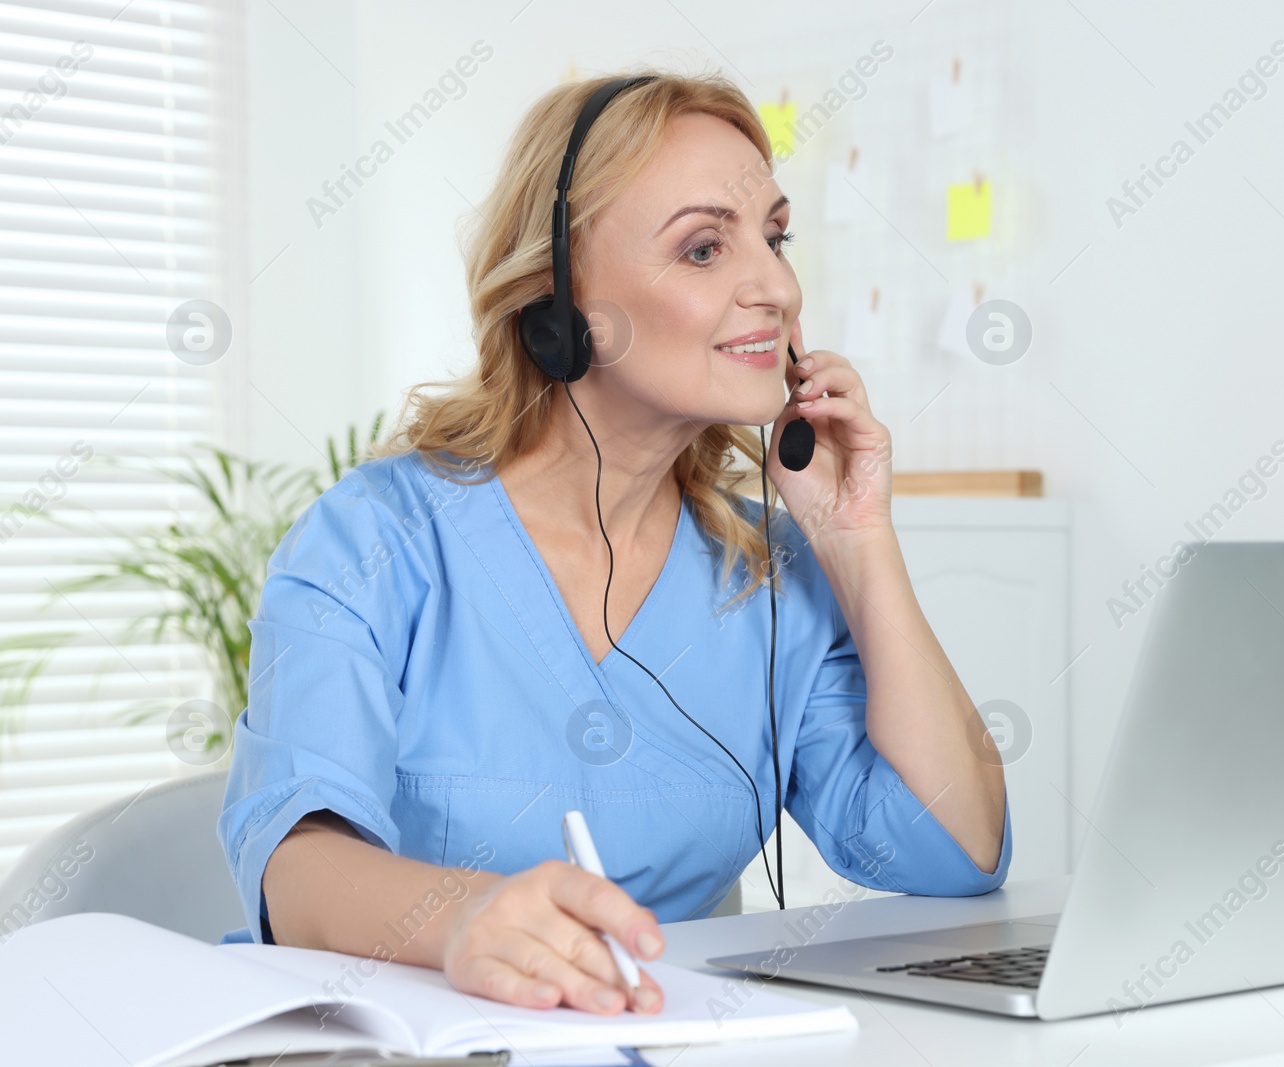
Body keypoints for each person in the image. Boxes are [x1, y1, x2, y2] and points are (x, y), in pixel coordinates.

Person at [218, 68, 1011, 1018]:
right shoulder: (377, 539)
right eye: (705, 248)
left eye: (776, 235)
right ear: (562, 303)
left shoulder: (765, 572)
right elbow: (294, 869)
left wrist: (857, 540)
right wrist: (465, 917)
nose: (778, 286)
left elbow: (957, 850)